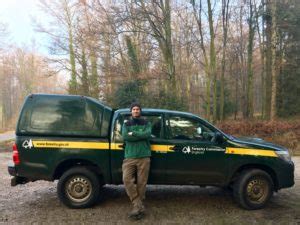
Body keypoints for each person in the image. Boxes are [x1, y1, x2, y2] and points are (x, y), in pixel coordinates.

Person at [121, 102, 152, 220]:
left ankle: (137, 207)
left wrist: (133, 133)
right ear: (131, 111)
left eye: (137, 109)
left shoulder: (146, 122)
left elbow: (147, 134)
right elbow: (125, 136)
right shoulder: (126, 123)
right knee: (126, 179)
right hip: (129, 156)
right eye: (133, 109)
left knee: (142, 183)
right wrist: (140, 135)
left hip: (144, 156)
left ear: (140, 111)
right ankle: (138, 204)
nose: (135, 111)